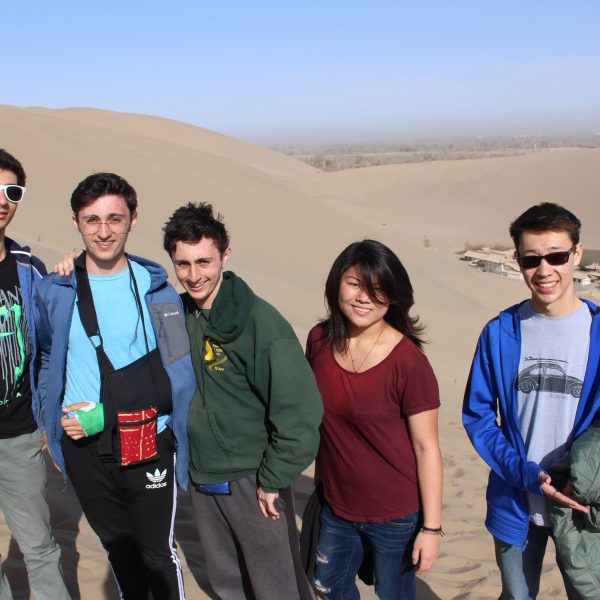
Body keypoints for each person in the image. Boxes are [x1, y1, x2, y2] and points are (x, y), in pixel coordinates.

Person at [35, 173, 196, 599]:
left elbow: (178, 375)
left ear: (133, 219)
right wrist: (49, 423)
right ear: (76, 222)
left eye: (114, 219)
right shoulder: (56, 289)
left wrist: (105, 414)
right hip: (83, 446)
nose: (104, 231)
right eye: (92, 220)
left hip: (147, 438)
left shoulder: (157, 290)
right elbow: (45, 358)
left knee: (157, 555)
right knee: (119, 550)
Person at [162, 202, 323, 600]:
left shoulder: (260, 322)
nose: (194, 275)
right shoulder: (177, 315)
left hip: (254, 479)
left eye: (204, 261)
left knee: (276, 587)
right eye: (183, 264)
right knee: (227, 583)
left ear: (225, 255)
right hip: (202, 475)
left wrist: (273, 479)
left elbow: (299, 411)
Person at [462, 202, 600, 599]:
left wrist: (582, 475)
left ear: (576, 253)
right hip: (516, 500)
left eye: (556, 256)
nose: (544, 270)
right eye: (531, 259)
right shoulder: (499, 332)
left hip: (583, 507)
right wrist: (521, 472)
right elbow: (478, 415)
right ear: (518, 260)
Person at [305, 239, 443, 600]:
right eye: (354, 284)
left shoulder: (408, 362)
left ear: (394, 295)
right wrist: (321, 483)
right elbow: (318, 422)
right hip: (337, 505)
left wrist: (431, 529)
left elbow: (427, 447)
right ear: (336, 283)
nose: (363, 297)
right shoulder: (319, 341)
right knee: (329, 588)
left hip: (395, 515)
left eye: (377, 288)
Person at [0, 149, 70, 599]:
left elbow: (50, 345)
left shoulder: (30, 269)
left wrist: (65, 279)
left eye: (12, 191)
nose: (2, 200)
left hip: (18, 433)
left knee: (39, 546)